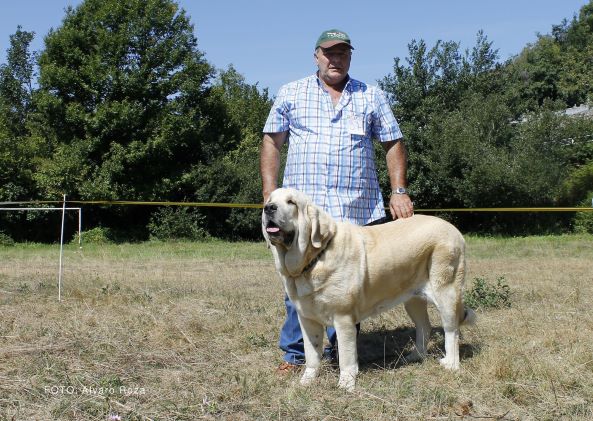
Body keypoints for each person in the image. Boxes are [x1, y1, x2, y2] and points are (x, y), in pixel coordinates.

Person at [260, 29, 414, 373]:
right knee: (297, 278)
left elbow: (393, 143)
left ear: (350, 57)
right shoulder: (291, 93)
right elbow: (272, 141)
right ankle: (296, 355)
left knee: (348, 284)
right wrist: (270, 192)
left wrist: (398, 190)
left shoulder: (370, 95)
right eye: (329, 53)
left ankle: (339, 355)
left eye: (342, 53)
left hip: (356, 208)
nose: (335, 59)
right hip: (302, 212)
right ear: (316, 56)